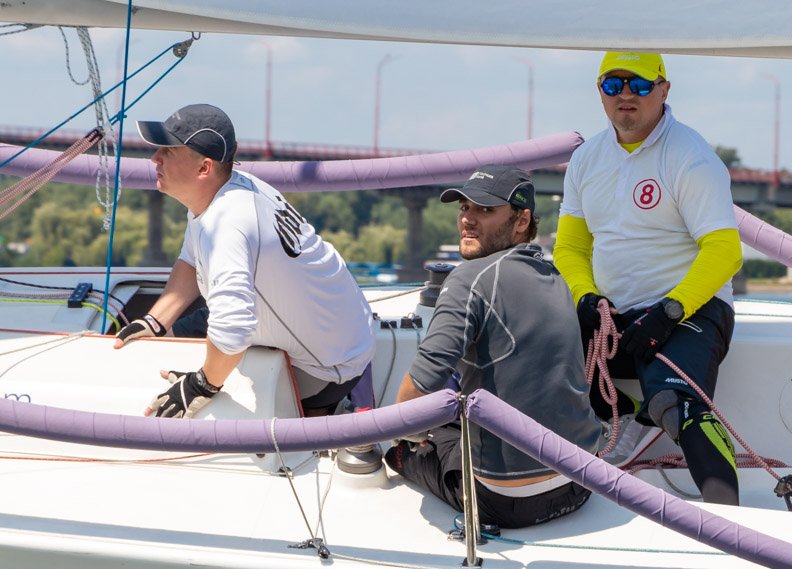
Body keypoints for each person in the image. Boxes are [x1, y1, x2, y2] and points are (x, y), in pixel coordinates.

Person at [554, 51, 743, 506]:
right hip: (614, 312)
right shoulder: (587, 159)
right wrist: (584, 298)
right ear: (599, 91)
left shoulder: (691, 157)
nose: (625, 96)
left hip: (690, 308)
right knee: (532, 350)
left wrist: (669, 311)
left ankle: (733, 522)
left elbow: (725, 251)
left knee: (677, 406)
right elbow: (571, 248)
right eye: (613, 85)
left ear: (663, 89)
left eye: (639, 86)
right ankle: (630, 420)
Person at [113, 103, 375, 419]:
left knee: (197, 385)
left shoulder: (229, 223)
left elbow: (233, 331)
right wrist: (155, 322)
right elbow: (191, 260)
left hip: (328, 368)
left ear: (203, 168)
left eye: (168, 150)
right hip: (337, 332)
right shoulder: (222, 191)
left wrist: (201, 386)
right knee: (174, 345)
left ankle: (327, 413)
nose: (154, 158)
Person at [387, 166, 603, 528]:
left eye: (485, 210)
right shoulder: (557, 279)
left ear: (522, 221)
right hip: (582, 481)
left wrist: (405, 436)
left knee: (403, 441)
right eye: (464, 208)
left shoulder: (468, 279)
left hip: (505, 500)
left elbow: (412, 401)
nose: (468, 220)